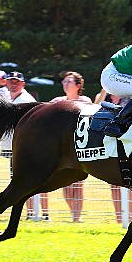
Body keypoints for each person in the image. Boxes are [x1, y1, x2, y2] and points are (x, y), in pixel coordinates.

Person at [0, 71, 49, 220]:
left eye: (16, 82)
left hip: (28, 148)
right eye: (11, 81)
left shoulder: (26, 100)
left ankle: (42, 214)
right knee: (20, 181)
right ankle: (31, 213)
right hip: (16, 147)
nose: (13, 84)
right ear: (6, 83)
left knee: (34, 180)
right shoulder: (8, 98)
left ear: (23, 84)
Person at [50, 71, 92, 222]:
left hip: (78, 145)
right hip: (62, 147)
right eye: (64, 81)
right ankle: (73, 212)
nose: (65, 84)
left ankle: (76, 216)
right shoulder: (57, 101)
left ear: (78, 85)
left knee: (78, 183)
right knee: (64, 183)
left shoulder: (85, 101)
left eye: (69, 81)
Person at [94, 90, 132, 223]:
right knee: (114, 185)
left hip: (126, 142)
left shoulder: (129, 96)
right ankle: (119, 218)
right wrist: (103, 90)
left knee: (127, 184)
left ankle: (130, 218)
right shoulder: (103, 97)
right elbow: (94, 108)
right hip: (108, 143)